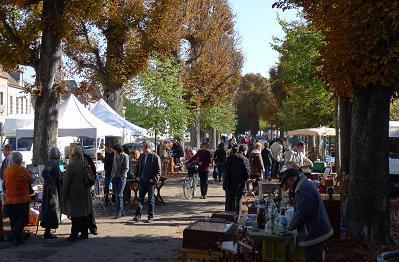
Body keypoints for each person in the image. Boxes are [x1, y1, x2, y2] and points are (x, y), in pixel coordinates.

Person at [282, 169, 333, 262]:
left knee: (313, 258)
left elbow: (302, 214)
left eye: (287, 183)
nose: (287, 186)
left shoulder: (303, 190)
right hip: (317, 229)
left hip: (314, 233)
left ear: (292, 180)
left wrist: (290, 226)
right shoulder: (304, 185)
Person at [62, 146, 92, 241]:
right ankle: (84, 233)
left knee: (75, 214)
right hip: (85, 192)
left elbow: (66, 182)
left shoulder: (72, 166)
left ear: (74, 155)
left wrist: (63, 194)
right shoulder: (85, 164)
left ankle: (74, 234)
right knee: (83, 213)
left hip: (75, 193)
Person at [3, 152, 32, 245]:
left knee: (14, 219)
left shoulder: (6, 171)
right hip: (21, 199)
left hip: (9, 199)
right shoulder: (22, 170)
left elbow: (4, 183)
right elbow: (30, 178)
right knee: (23, 219)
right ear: (20, 160)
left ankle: (17, 239)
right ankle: (14, 234)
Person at [134, 142, 161, 223]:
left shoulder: (155, 157)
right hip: (142, 181)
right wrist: (137, 176)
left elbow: (159, 170)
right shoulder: (142, 156)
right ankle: (137, 215)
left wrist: (154, 179)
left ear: (149, 148)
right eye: (143, 148)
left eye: (145, 148)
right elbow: (137, 167)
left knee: (150, 199)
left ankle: (150, 216)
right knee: (140, 199)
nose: (143, 149)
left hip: (150, 182)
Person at [40, 148, 62, 239]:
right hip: (51, 192)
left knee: (52, 209)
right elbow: (44, 173)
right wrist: (52, 183)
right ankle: (47, 232)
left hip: (54, 190)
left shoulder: (54, 163)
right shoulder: (51, 163)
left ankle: (48, 231)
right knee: (51, 209)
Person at [223, 146, 250, 217]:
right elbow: (247, 174)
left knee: (229, 201)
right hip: (239, 183)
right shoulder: (244, 159)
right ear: (244, 150)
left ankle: (228, 218)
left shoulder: (229, 158)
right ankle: (237, 218)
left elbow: (225, 171)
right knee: (238, 201)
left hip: (229, 183)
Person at [111, 144, 129, 219]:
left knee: (119, 195)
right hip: (115, 177)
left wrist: (122, 175)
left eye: (114, 150)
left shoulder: (125, 156)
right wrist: (113, 175)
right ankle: (122, 212)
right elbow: (113, 166)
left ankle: (118, 212)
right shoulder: (115, 156)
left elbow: (126, 168)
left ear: (117, 149)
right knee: (118, 196)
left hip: (122, 178)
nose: (113, 151)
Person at [84, 153, 98, 235]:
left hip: (85, 188)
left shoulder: (81, 160)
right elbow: (94, 171)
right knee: (89, 209)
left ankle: (90, 228)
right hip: (87, 187)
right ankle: (92, 228)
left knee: (87, 209)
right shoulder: (87, 158)